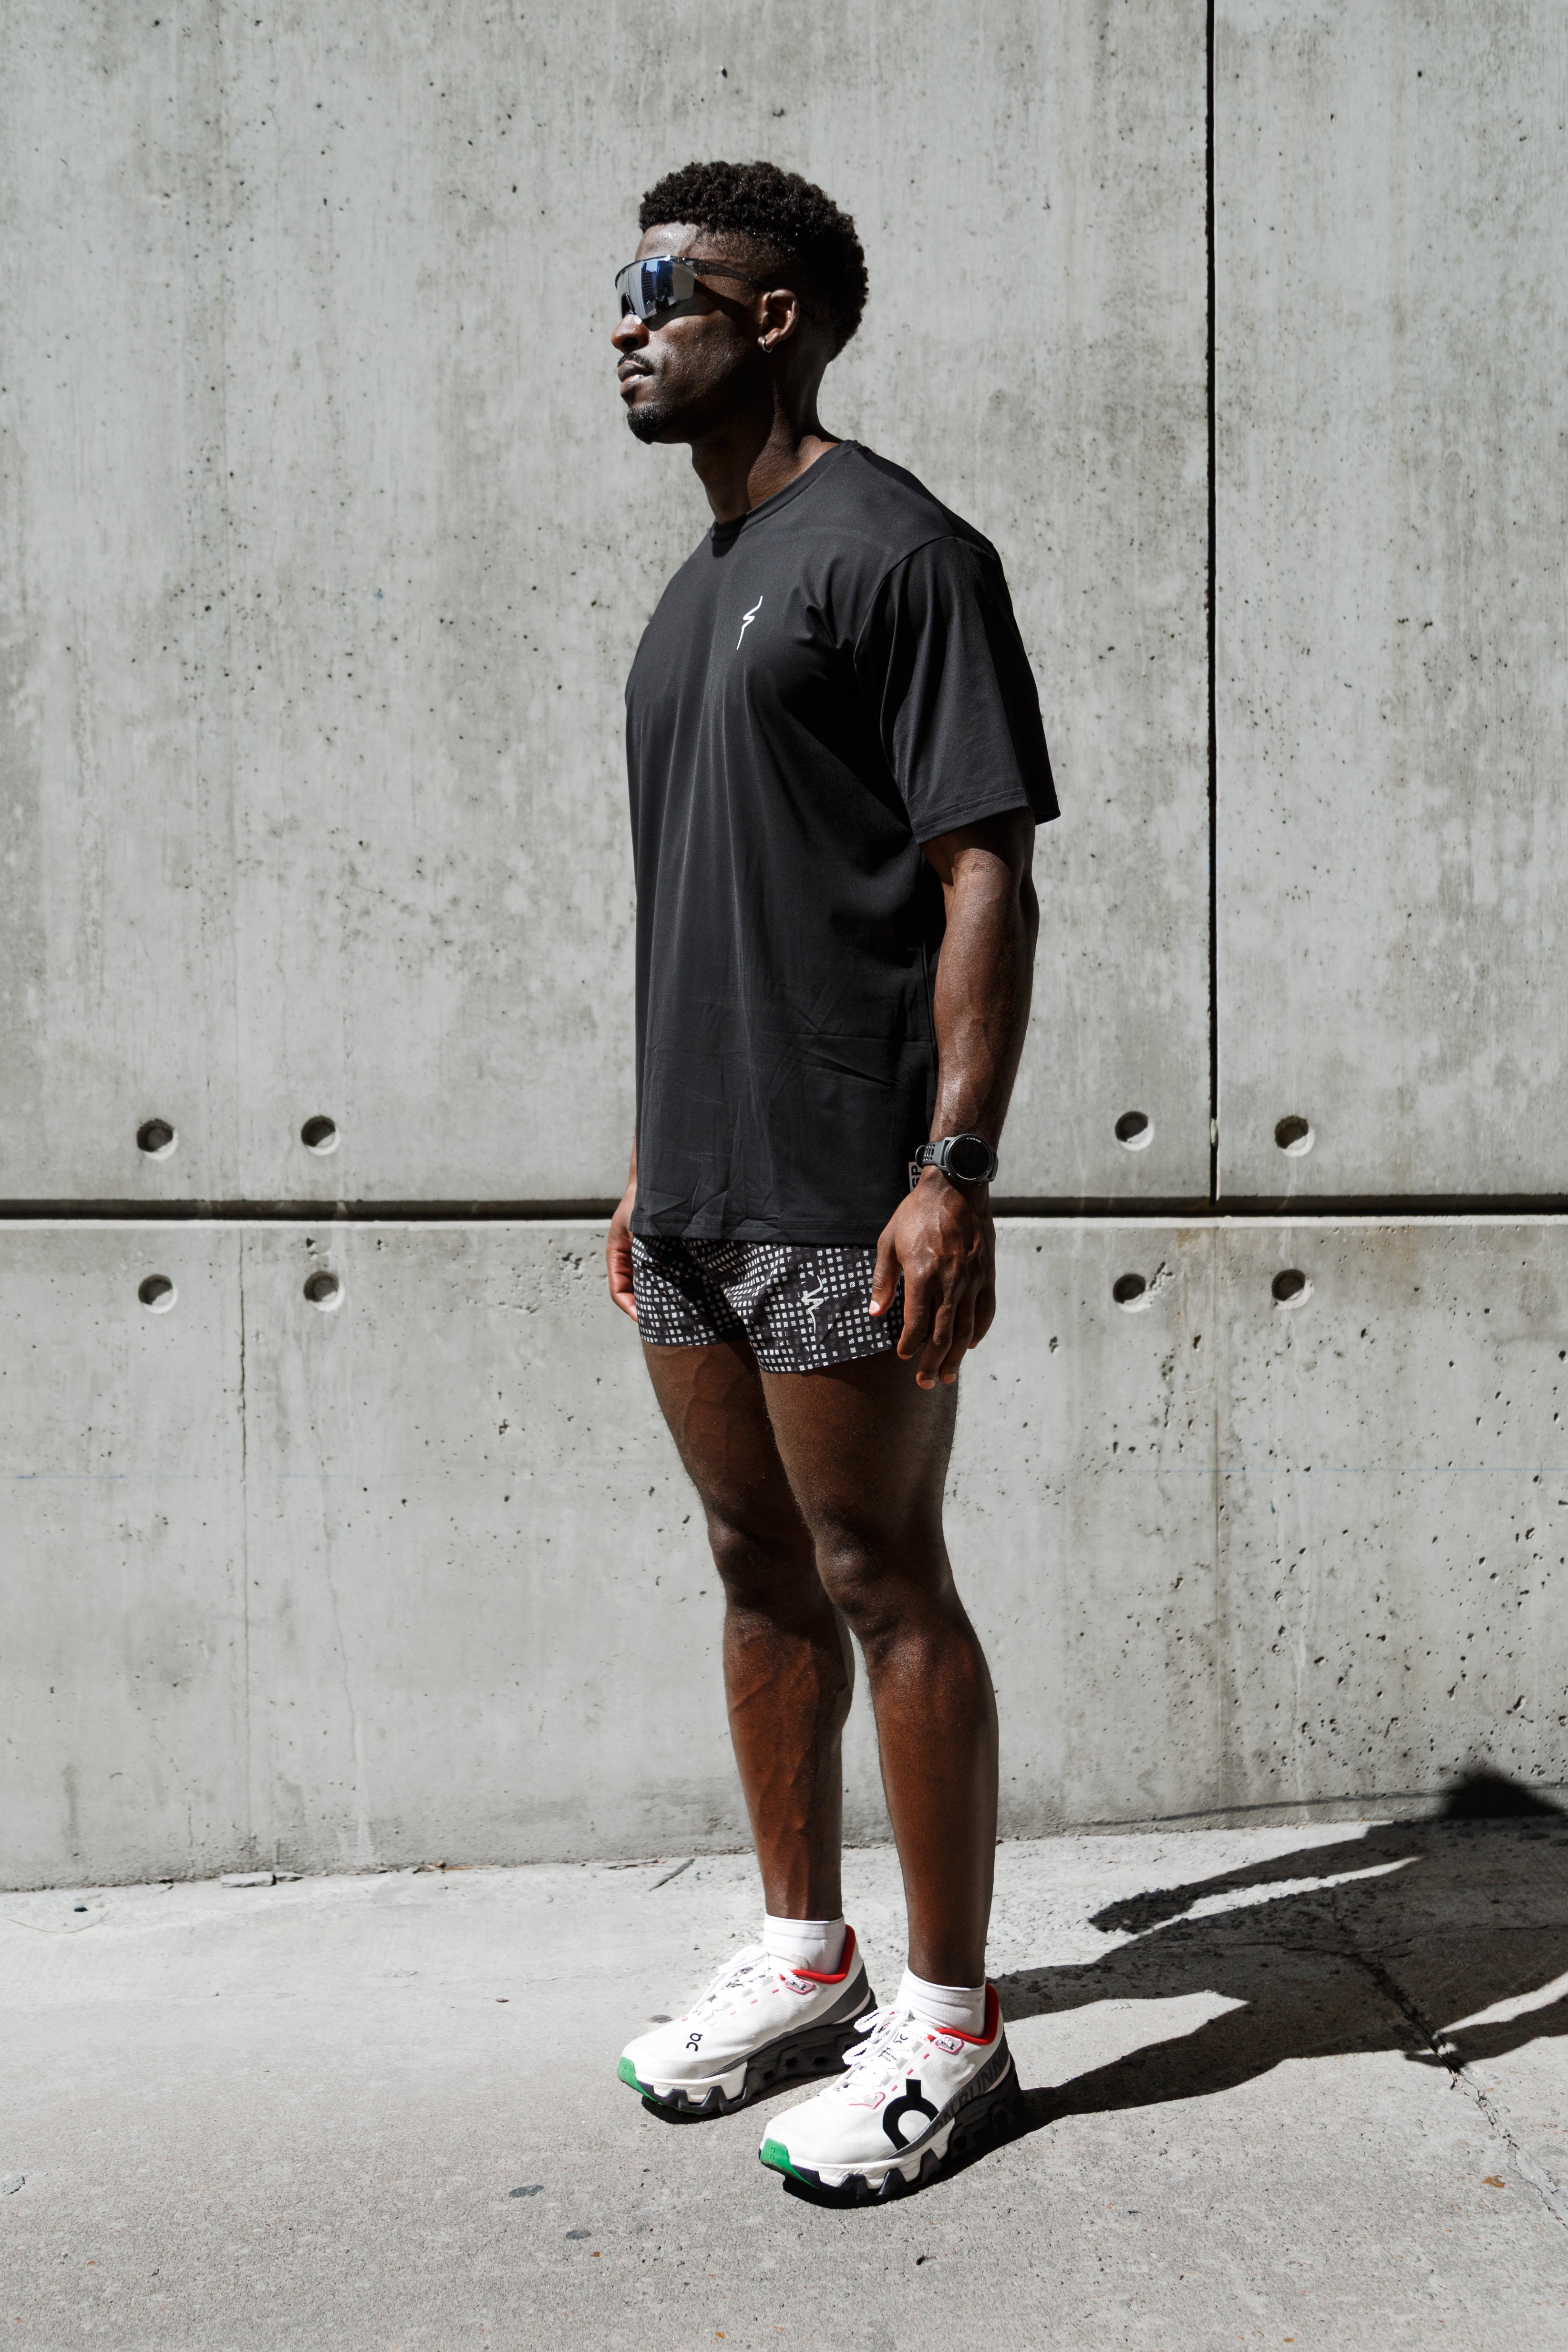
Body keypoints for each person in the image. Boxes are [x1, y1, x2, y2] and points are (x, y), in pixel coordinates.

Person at [605, 160, 1057, 2200]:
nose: (626, 322)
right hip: (700, 1182)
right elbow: (706, 902)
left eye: (663, 287)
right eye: (624, 289)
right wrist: (649, 1156)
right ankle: (809, 1955)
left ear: (771, 317)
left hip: (848, 1178)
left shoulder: (901, 552)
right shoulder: (695, 590)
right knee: (752, 1565)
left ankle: (952, 2026)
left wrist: (952, 1167)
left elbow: (984, 874)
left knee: (883, 1574)